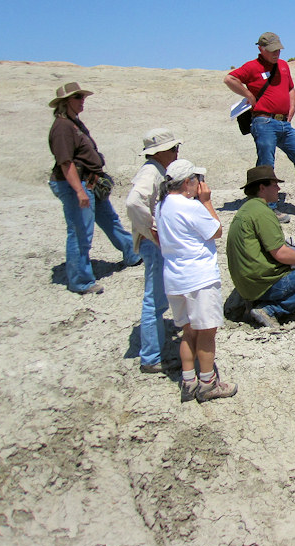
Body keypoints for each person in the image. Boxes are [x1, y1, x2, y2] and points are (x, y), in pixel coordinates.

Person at [223, 32, 295, 223]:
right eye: (273, 50)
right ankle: (268, 209)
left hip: (285, 123)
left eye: (279, 50)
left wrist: (292, 106)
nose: (277, 54)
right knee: (267, 166)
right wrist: (248, 95)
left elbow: (290, 88)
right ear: (261, 49)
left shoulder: (283, 66)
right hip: (264, 122)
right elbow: (229, 79)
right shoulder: (252, 67)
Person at [154, 160, 236, 403]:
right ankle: (208, 383)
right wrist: (207, 201)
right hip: (199, 277)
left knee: (187, 332)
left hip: (174, 278)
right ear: (188, 182)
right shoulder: (190, 207)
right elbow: (216, 230)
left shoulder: (162, 205)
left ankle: (188, 382)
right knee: (207, 333)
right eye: (197, 180)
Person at [47, 82, 140, 295]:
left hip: (90, 182)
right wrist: (79, 191)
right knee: (80, 232)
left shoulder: (73, 123)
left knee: (110, 220)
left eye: (82, 97)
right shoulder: (62, 127)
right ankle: (80, 281)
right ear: (66, 102)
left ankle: (132, 254)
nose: (82, 101)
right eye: (78, 97)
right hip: (75, 185)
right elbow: (65, 162)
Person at [226, 166, 295, 329]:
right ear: (262, 187)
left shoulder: (245, 210)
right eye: (274, 185)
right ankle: (270, 309)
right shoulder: (262, 212)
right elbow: (280, 253)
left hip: (244, 283)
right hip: (260, 282)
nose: (278, 189)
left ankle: (253, 302)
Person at [125, 128, 182, 373]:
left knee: (157, 298)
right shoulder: (150, 173)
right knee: (154, 300)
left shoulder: (156, 170)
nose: (176, 152)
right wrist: (153, 230)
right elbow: (133, 202)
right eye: (172, 149)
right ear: (160, 153)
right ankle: (151, 357)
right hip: (153, 244)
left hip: (153, 242)